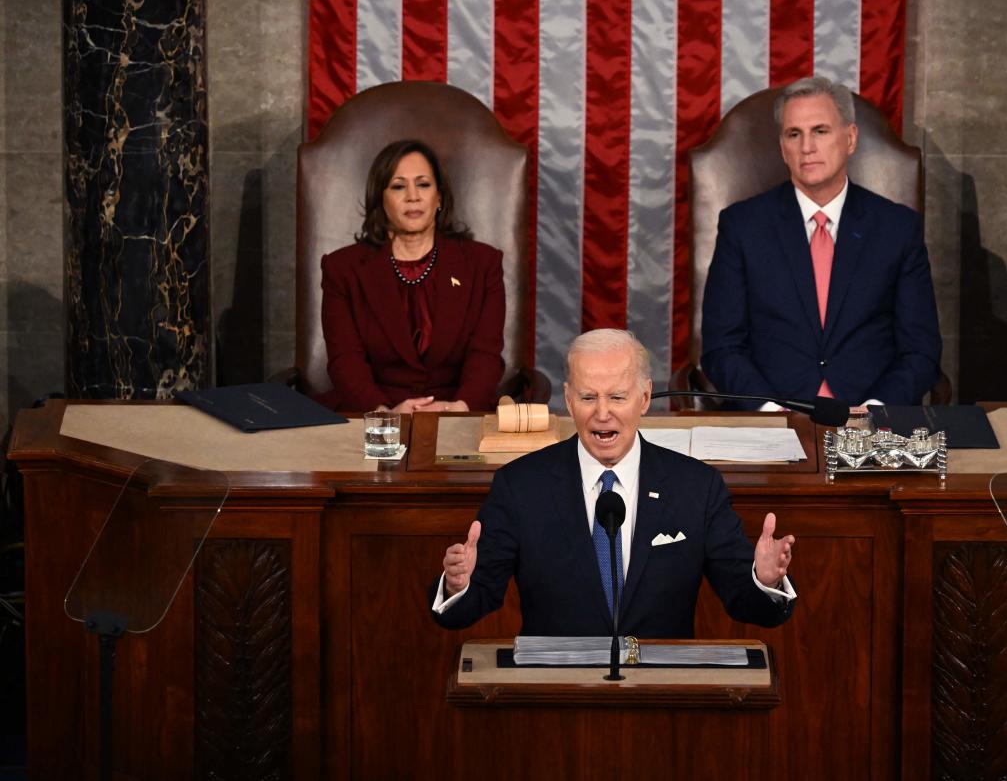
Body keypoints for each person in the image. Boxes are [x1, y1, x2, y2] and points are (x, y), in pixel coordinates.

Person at [429, 329, 796, 637]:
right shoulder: (521, 486)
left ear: (645, 398)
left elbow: (745, 600)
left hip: (662, 697)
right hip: (555, 696)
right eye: (588, 397)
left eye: (617, 397)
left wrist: (764, 579)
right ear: (569, 401)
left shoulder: (696, 487)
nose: (602, 413)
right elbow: (467, 606)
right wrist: (457, 585)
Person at [701, 76, 941, 407]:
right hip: (771, 421)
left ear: (851, 138)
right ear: (782, 147)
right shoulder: (742, 226)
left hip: (869, 420)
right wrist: (770, 412)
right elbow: (722, 347)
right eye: (793, 134)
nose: (807, 147)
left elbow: (921, 351)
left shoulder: (897, 228)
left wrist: (876, 410)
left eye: (821, 131)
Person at [319, 139, 505, 412]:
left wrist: (459, 409)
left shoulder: (483, 263)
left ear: (439, 196)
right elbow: (345, 359)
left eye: (423, 184)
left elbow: (486, 355)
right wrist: (384, 414)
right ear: (380, 199)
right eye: (397, 186)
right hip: (372, 413)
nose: (413, 196)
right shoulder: (342, 269)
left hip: (459, 412)